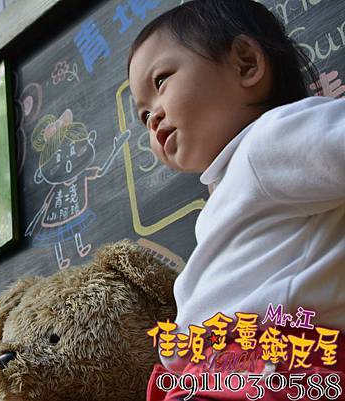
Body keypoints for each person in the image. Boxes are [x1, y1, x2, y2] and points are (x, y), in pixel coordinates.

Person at [127, 0, 345, 400]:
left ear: (246, 63)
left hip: (269, 366)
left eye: (161, 81)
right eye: (143, 116)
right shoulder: (233, 185)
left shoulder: (269, 141)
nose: (153, 117)